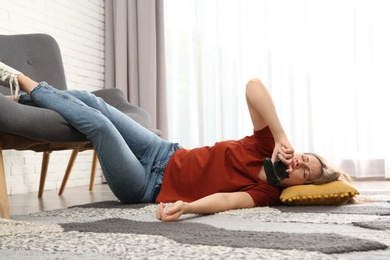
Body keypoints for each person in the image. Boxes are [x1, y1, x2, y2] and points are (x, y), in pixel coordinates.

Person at [0, 62, 348, 222]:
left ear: (297, 187)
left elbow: (225, 200)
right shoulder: (267, 143)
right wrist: (282, 134)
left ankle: (21, 81)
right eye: (304, 158)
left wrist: (187, 207)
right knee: (98, 103)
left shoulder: (267, 193)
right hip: (163, 151)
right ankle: (23, 100)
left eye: (305, 172)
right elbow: (253, 85)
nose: (299, 163)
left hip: (145, 185)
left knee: (101, 127)